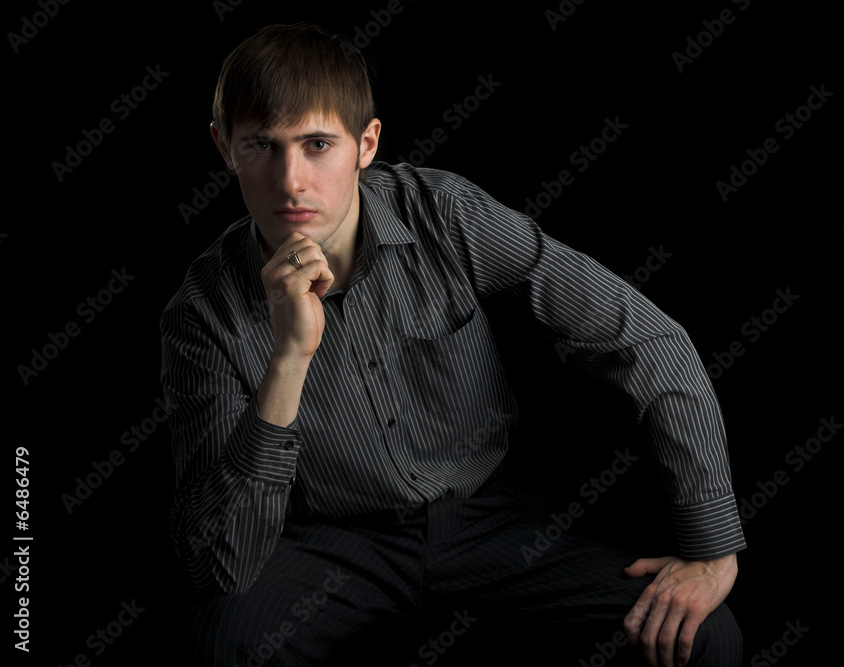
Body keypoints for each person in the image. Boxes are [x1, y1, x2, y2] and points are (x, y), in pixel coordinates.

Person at [161, 22, 745, 667]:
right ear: (224, 148)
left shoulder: (446, 215)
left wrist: (712, 547)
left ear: (366, 143)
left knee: (704, 639)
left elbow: (642, 336)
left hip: (493, 522)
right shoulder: (201, 312)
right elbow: (219, 560)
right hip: (331, 542)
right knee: (217, 647)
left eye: (317, 144)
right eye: (262, 147)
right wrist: (288, 358)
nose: (291, 180)